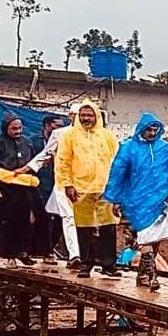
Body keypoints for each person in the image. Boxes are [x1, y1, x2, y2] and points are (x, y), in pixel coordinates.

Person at [102, 112, 168, 291]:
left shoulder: (166, 148)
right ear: (141, 129)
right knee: (145, 239)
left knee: (155, 240)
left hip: (160, 202)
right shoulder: (128, 148)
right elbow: (118, 173)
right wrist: (115, 198)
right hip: (136, 202)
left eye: (155, 129)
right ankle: (152, 277)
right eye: (149, 129)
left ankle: (144, 275)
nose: (152, 133)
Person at [55, 99, 121, 279]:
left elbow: (118, 162)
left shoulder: (107, 136)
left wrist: (117, 187)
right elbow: (62, 162)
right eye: (83, 115)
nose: (86, 118)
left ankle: (109, 265)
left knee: (108, 227)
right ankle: (86, 264)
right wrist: (67, 184)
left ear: (96, 116)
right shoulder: (69, 136)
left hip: (105, 189)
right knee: (85, 229)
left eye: (89, 115)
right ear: (78, 117)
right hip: (81, 189)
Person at [21, 104, 81, 267]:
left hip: (84, 185)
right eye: (79, 114)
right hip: (57, 184)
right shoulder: (60, 135)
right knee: (62, 218)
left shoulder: (96, 136)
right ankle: (72, 255)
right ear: (71, 116)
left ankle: (68, 254)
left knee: (72, 221)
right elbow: (43, 156)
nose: (83, 119)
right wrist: (25, 170)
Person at [0, 112, 39, 267]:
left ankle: (24, 253)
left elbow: (33, 163)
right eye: (14, 129)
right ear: (5, 128)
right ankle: (9, 256)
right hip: (3, 188)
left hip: (23, 187)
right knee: (6, 222)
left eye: (20, 128)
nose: (18, 131)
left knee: (25, 222)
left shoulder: (27, 142)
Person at [28, 115, 64, 263]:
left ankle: (48, 250)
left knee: (60, 221)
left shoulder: (65, 142)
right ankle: (38, 251)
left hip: (58, 186)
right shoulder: (33, 143)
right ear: (47, 126)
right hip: (38, 187)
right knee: (39, 220)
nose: (61, 130)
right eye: (57, 127)